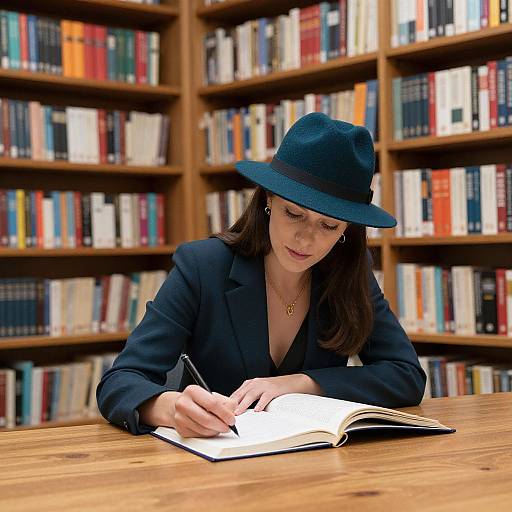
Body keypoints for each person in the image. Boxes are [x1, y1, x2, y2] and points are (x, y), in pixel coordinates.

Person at [96, 112, 426, 438]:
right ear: (268, 198)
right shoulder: (202, 266)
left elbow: (407, 375)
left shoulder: (349, 271)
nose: (306, 238)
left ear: (346, 230)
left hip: (314, 468)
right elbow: (121, 380)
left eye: (328, 225)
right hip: (215, 466)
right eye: (294, 214)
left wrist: (302, 383)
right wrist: (172, 408)